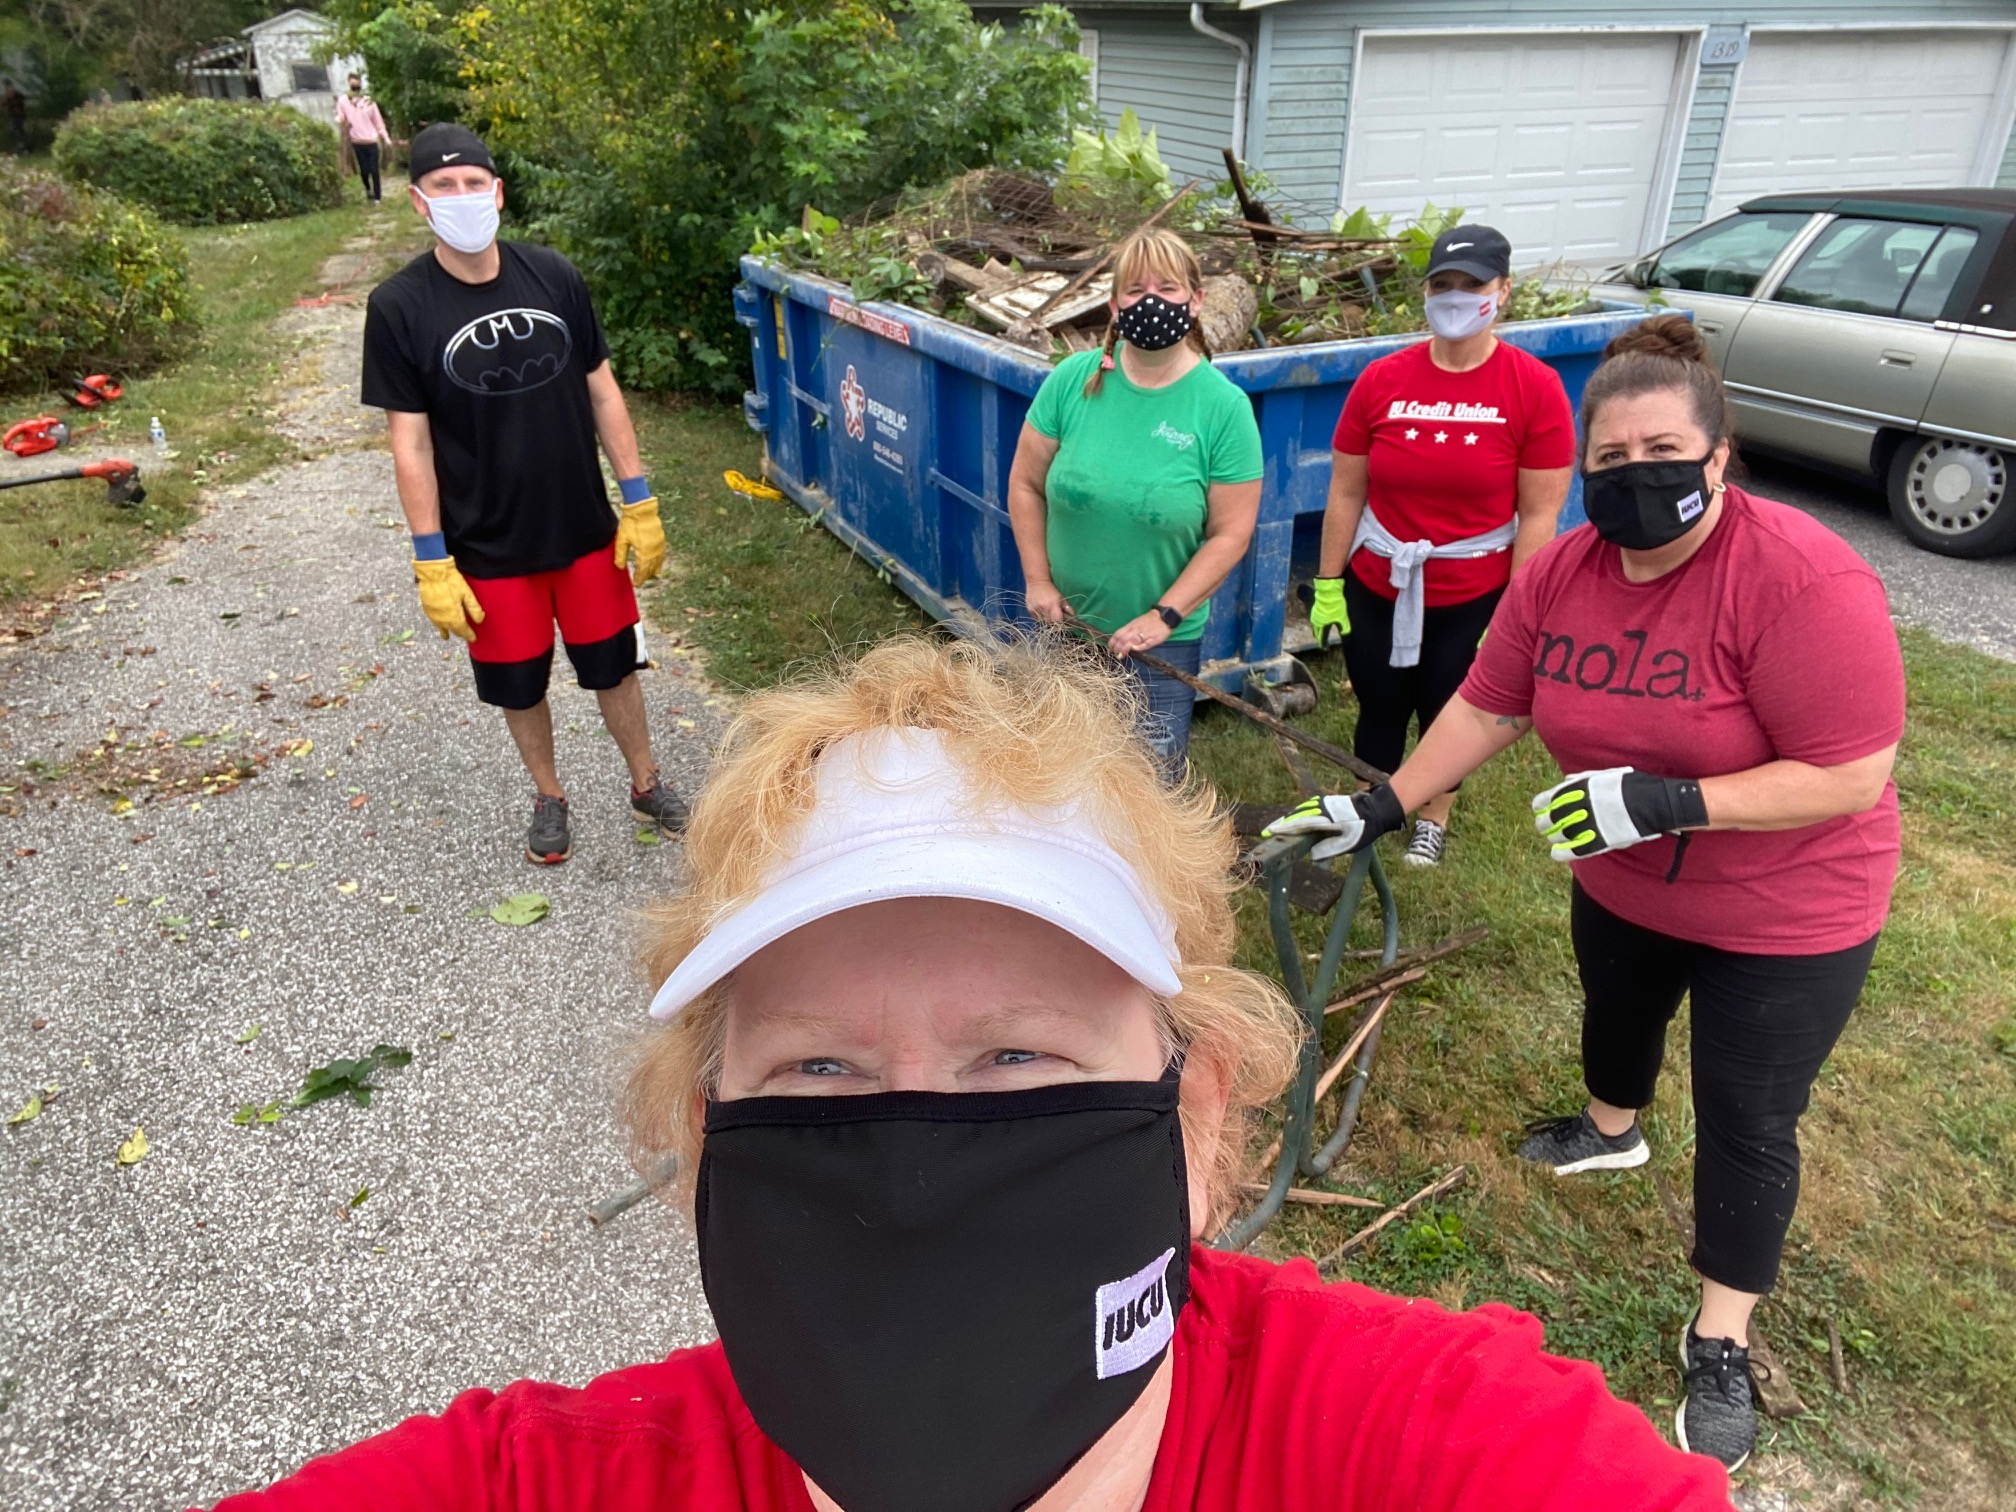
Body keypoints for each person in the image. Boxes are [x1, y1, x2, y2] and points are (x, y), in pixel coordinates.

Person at [203, 634, 1732, 1512]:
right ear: (699, 1135)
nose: (917, 1140)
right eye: (814, 1066)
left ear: (1200, 1116)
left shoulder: (1422, 1452)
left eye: (1019, 1051)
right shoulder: (564, 1485)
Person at [1269, 315, 1905, 1472]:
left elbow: (1850, 771)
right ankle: (1611, 1131)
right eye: (1609, 461)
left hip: (1786, 908)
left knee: (1748, 1115)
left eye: (1663, 451)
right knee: (1616, 1017)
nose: (1634, 478)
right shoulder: (1563, 569)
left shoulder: (1798, 578)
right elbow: (1489, 702)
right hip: (1623, 878)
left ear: (1719, 458)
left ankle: (1721, 1333)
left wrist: (1674, 804)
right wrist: (1385, 803)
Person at [361, 122, 688, 864]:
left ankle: (646, 783)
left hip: (584, 532)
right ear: (418, 203)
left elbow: (602, 390)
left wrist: (638, 501)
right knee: (519, 684)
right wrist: (430, 559)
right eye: (443, 187)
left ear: (498, 192)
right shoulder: (399, 307)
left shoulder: (554, 275)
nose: (462, 197)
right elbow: (408, 441)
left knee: (616, 668)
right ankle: (549, 795)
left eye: (474, 182)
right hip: (486, 545)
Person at [1308, 224, 1573, 866]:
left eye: (1472, 285)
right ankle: (1372, 806)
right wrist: (1327, 583)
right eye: (1442, 285)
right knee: (1379, 702)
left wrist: (1516, 613)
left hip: (1471, 593)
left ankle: (1434, 815)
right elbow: (1346, 491)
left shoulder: (1534, 390)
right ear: (1425, 293)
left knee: (1447, 711)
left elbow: (1539, 515)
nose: (1456, 297)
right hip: (1381, 581)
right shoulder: (1382, 380)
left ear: (1501, 291)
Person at [1008, 228, 1263, 781]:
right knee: (1054, 774)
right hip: (1065, 628)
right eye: (1135, 288)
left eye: (1168, 287)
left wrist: (1164, 615)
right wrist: (1038, 581)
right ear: (1114, 303)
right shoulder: (1073, 380)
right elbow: (1026, 485)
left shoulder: (1223, 409)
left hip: (1156, 650)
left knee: (1148, 790)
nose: (1151, 301)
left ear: (1196, 300)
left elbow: (1231, 533)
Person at [336, 73, 391, 203]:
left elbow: (378, 122)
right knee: (364, 170)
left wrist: (385, 137)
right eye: (352, 84)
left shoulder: (368, 101)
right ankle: (368, 190)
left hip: (371, 140)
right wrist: (341, 121)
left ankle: (378, 197)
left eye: (357, 84)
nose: (355, 86)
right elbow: (341, 116)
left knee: (374, 169)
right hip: (357, 142)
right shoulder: (343, 101)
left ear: (360, 84)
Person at [2, 79, 26, 153]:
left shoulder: (13, 92)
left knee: (17, 129)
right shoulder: (9, 92)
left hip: (18, 114)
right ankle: (21, 144)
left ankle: (22, 144)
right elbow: (6, 102)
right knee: (16, 129)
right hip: (14, 114)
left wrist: (16, 105)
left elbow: (22, 99)